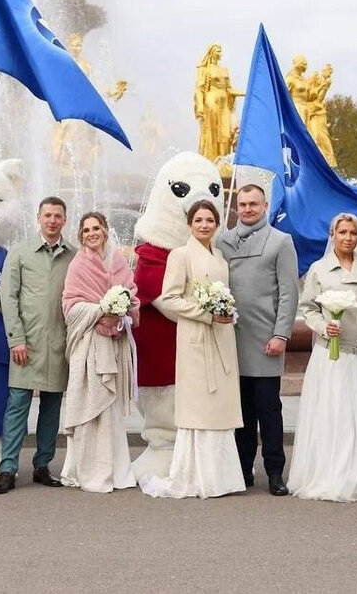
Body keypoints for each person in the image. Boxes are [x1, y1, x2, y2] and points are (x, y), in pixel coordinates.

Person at [140, 200, 244, 499]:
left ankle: (221, 477)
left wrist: (226, 312)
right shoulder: (180, 255)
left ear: (216, 224)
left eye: (209, 220)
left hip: (221, 337)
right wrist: (205, 312)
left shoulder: (221, 256)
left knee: (220, 406)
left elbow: (223, 295)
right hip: (196, 338)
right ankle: (197, 475)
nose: (204, 225)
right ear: (190, 224)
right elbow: (170, 298)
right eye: (198, 220)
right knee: (200, 406)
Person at [289, 213, 357, 502]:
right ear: (332, 234)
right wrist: (324, 326)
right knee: (332, 414)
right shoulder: (318, 270)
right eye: (342, 232)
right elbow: (308, 308)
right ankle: (329, 474)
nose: (348, 238)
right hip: (330, 355)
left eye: (353, 233)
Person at [217, 184, 298, 495]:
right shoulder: (223, 241)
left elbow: (289, 292)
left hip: (266, 341)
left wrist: (281, 334)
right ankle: (242, 469)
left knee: (269, 410)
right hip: (230, 339)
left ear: (265, 206)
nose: (248, 209)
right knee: (240, 411)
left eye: (254, 204)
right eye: (243, 204)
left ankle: (275, 472)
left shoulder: (280, 241)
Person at [0, 197, 76, 494]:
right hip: (25, 344)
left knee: (52, 408)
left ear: (65, 220)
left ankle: (43, 465)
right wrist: (15, 339)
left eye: (58, 216)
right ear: (38, 217)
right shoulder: (21, 251)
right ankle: (7, 469)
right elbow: (8, 298)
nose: (52, 220)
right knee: (17, 406)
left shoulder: (73, 256)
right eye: (47, 215)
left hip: (59, 344)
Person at [60, 212, 139, 493]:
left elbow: (133, 296)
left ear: (105, 231)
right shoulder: (78, 264)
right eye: (85, 230)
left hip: (115, 345)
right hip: (90, 344)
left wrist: (122, 312)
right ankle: (88, 470)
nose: (91, 233)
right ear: (81, 235)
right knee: (91, 407)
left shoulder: (118, 261)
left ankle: (116, 470)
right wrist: (100, 311)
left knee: (111, 410)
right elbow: (70, 306)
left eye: (96, 228)